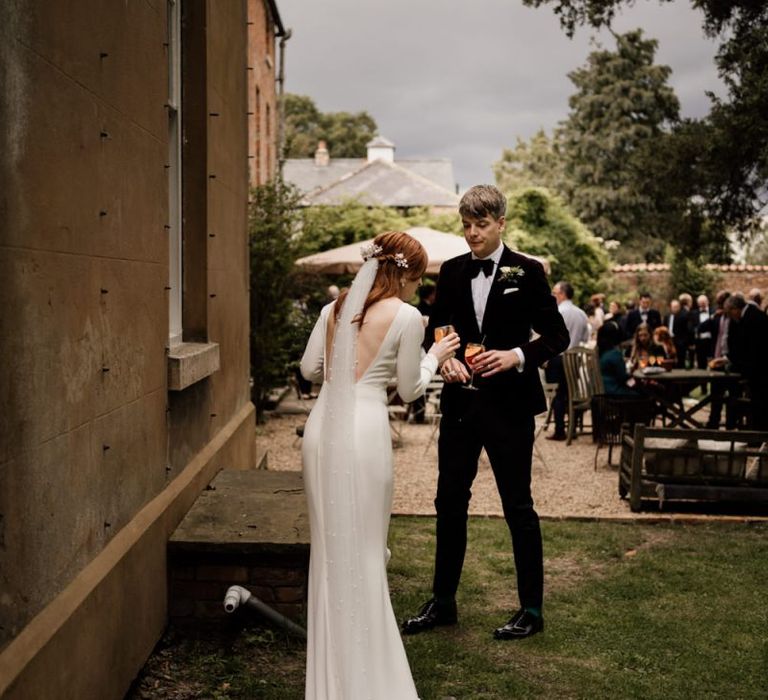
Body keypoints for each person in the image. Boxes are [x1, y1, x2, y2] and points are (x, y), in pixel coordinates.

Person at [401, 185, 569, 641]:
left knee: (518, 505)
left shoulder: (528, 271)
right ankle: (443, 602)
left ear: (501, 224)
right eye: (467, 226)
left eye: (481, 225)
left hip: (510, 406)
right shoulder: (452, 272)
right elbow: (437, 330)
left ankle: (531, 610)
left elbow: (557, 336)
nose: (473, 233)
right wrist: (444, 358)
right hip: (460, 404)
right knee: (448, 502)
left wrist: (516, 355)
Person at [299, 231, 460, 699]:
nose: (417, 286)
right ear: (405, 272)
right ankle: (370, 678)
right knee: (366, 552)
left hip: (321, 429)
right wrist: (435, 356)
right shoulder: (408, 316)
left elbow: (310, 369)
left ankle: (332, 679)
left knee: (329, 552)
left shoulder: (335, 309)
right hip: (364, 432)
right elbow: (410, 390)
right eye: (418, 276)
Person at [545, 280, 591, 441]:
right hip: (575, 359)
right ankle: (573, 426)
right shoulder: (581, 314)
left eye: (555, 293)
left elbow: (548, 336)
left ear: (563, 294)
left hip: (558, 359)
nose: (553, 296)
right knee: (570, 394)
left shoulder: (557, 311)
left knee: (557, 395)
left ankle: (560, 430)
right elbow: (586, 338)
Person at [716, 293, 768, 430]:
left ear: (735, 309)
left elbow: (755, 348)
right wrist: (729, 359)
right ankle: (754, 433)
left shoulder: (755, 317)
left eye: (729, 313)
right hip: (749, 367)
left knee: (760, 402)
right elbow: (736, 343)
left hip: (760, 369)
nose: (730, 317)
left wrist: (738, 363)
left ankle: (759, 435)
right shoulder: (741, 318)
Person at [597, 321, 636, 395]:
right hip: (614, 391)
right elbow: (623, 377)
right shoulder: (615, 353)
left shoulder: (600, 352)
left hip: (602, 389)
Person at [664, 299, 691, 368]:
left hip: (679, 343)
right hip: (669, 342)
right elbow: (664, 327)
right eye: (674, 307)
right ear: (671, 307)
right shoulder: (667, 316)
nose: (675, 308)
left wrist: (683, 342)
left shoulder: (684, 316)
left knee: (680, 361)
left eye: (677, 307)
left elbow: (687, 330)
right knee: (669, 360)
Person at [693, 294, 713, 369]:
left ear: (708, 302)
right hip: (700, 342)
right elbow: (693, 328)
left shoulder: (713, 311)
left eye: (704, 302)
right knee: (701, 363)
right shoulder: (694, 313)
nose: (703, 304)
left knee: (712, 362)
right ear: (698, 304)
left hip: (711, 341)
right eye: (701, 303)